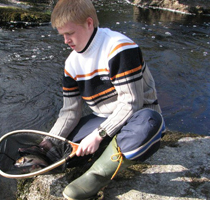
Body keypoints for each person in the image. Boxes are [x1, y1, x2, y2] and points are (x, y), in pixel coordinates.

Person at [49, 0, 166, 199]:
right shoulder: (71, 63)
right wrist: (48, 141)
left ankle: (97, 175)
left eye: (70, 33)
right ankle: (95, 148)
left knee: (149, 124)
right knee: (58, 148)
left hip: (138, 115)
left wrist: (98, 135)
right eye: (62, 35)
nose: (66, 41)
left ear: (88, 23)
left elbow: (131, 103)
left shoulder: (119, 48)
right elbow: (70, 111)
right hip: (103, 118)